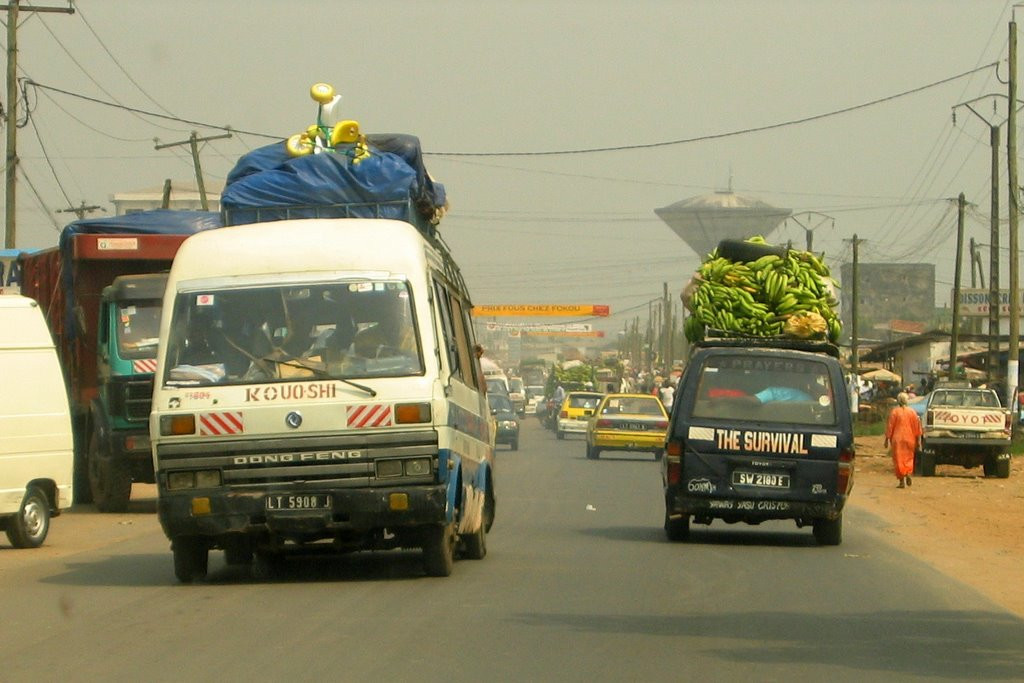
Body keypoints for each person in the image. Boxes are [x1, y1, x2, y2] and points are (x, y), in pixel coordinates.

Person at [884, 392, 922, 488]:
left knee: (898, 459)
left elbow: (890, 426)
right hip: (910, 438)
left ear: (898, 401)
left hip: (897, 440)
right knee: (909, 458)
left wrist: (886, 439)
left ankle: (901, 481)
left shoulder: (895, 412)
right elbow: (917, 428)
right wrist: (919, 442)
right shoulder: (912, 412)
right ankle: (908, 473)